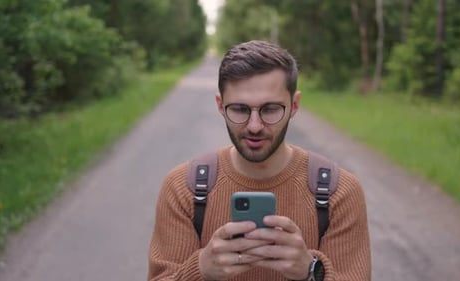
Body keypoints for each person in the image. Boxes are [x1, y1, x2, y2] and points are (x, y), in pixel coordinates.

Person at [147, 40, 371, 281]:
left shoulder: (340, 192)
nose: (254, 126)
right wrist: (200, 269)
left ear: (294, 105)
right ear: (220, 106)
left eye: (271, 109)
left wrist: (311, 271)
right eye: (240, 110)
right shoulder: (182, 188)